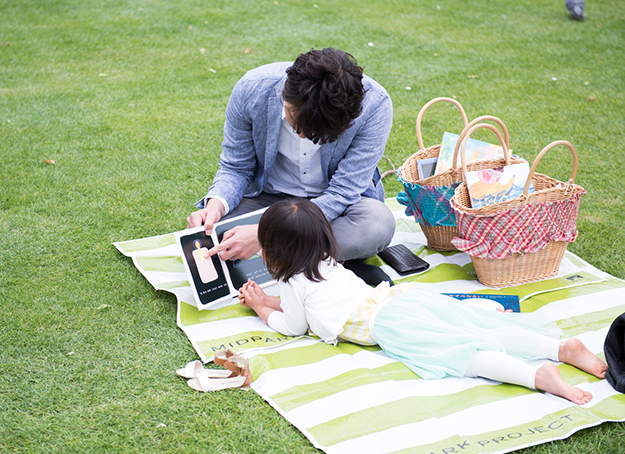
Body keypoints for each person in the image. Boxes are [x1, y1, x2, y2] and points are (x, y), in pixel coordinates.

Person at [238, 198, 609, 405]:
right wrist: (269, 298)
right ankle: (561, 347)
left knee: (461, 354)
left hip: (388, 326)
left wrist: (261, 309)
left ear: (275, 251)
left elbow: (295, 325)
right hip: (400, 299)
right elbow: (308, 302)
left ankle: (536, 376)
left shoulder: (293, 279)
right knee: (475, 324)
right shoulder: (324, 262)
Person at [186, 48, 395, 285]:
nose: (303, 135)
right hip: (269, 200)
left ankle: (268, 259)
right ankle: (325, 263)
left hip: (332, 210)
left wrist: (264, 235)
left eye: (316, 133)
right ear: (285, 96)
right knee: (212, 233)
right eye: (295, 122)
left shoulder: (375, 106)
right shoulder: (251, 90)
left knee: (376, 225)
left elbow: (341, 194)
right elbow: (236, 168)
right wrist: (216, 205)